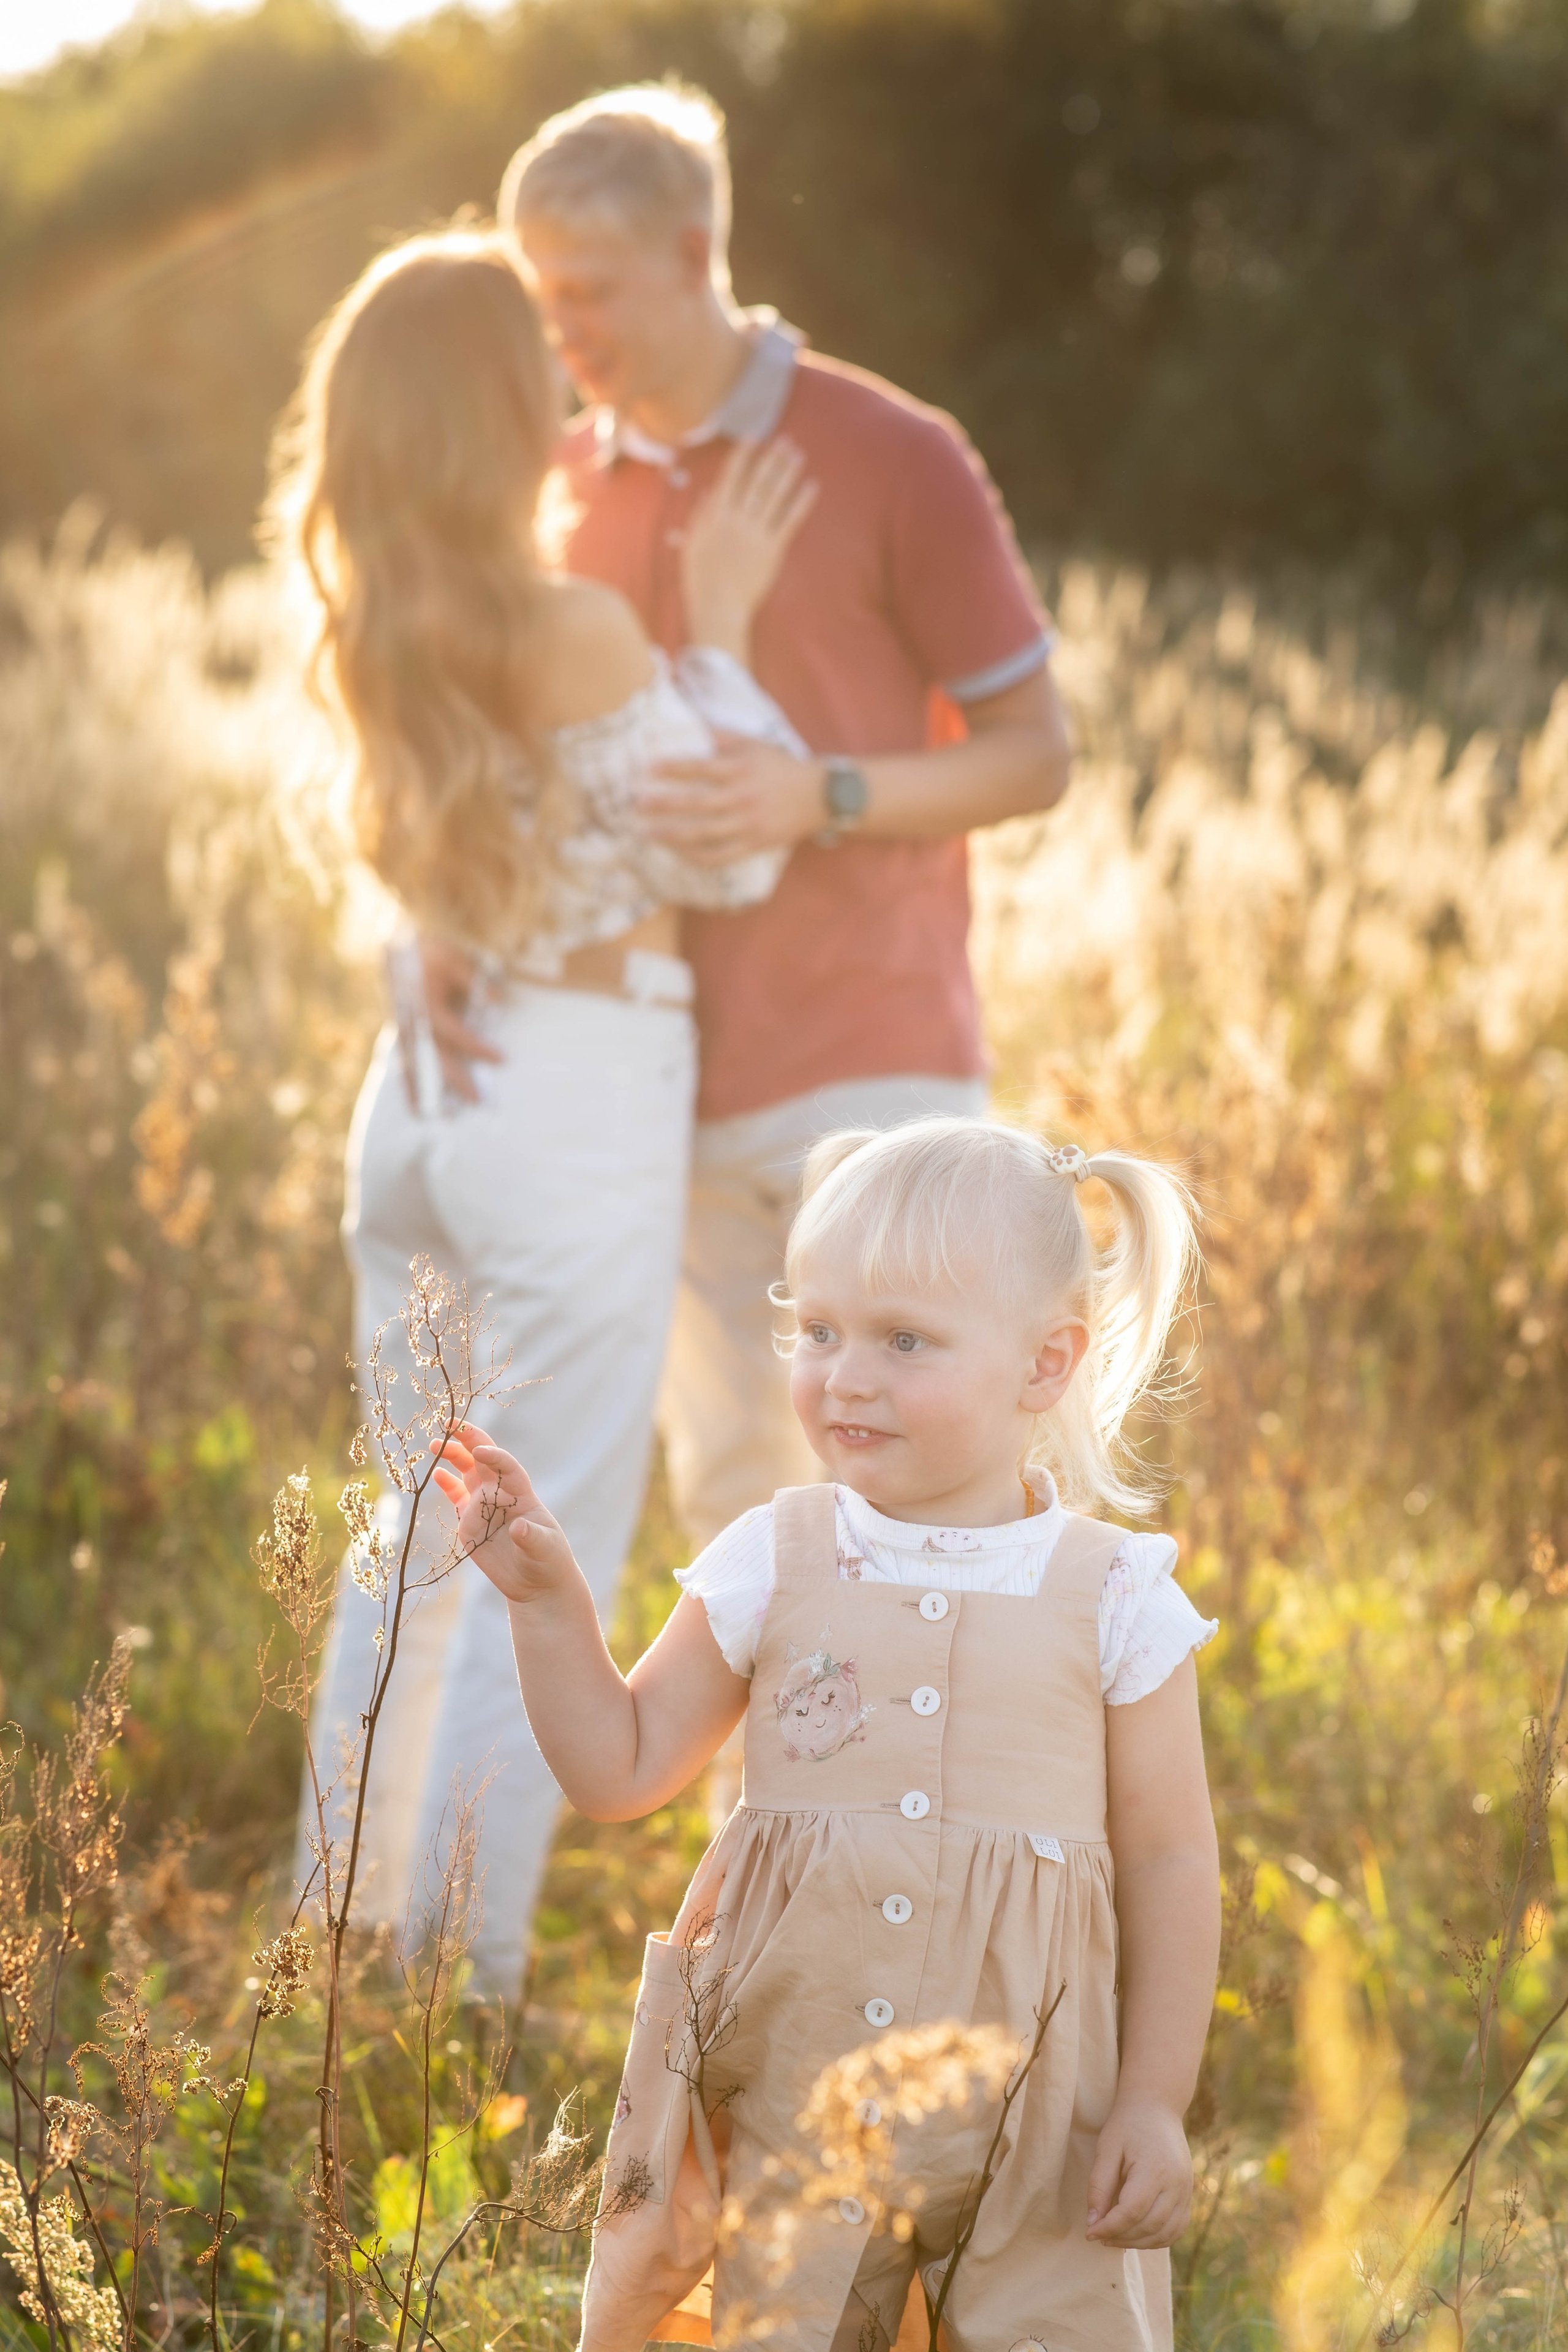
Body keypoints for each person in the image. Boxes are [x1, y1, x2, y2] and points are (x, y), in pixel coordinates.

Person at [435, 1117, 1222, 2352]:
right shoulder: (775, 1554)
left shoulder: (1114, 1593)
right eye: (817, 1330)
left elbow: (1173, 1859)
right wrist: (549, 1607)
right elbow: (621, 1767)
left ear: (1043, 1365)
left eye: (903, 1340)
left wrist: (1153, 2103)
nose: (843, 1376)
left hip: (1032, 2111)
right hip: (797, 2086)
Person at [271, 228, 817, 1997]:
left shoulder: (375, 626)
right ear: (516, 414)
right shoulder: (577, 626)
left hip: (423, 1105)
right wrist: (722, 632)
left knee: (403, 1528)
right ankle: (462, 1978)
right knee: (529, 1541)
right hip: (569, 1096)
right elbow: (715, 848)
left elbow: (434, 853)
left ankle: (337, 1928)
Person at [423, 81, 1074, 1559]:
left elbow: (1037, 757)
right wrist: (446, 919)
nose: (559, 330)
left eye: (586, 289)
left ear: (695, 245)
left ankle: (981, 1798)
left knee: (933, 1506)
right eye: (539, 294)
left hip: (869, 1063)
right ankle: (771, 1808)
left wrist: (821, 794)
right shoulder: (548, 486)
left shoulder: (894, 452)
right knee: (738, 1508)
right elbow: (515, 773)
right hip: (654, 1083)